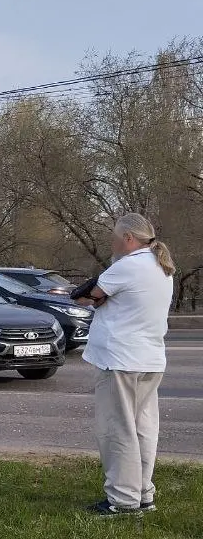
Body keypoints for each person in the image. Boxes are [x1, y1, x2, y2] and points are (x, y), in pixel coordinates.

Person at [77, 213, 175, 515]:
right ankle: (143, 493)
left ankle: (122, 499)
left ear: (128, 238)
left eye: (115, 237)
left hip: (119, 360)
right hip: (149, 359)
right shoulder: (162, 267)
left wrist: (96, 297)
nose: (112, 242)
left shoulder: (127, 266)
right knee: (144, 427)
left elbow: (86, 296)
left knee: (117, 429)